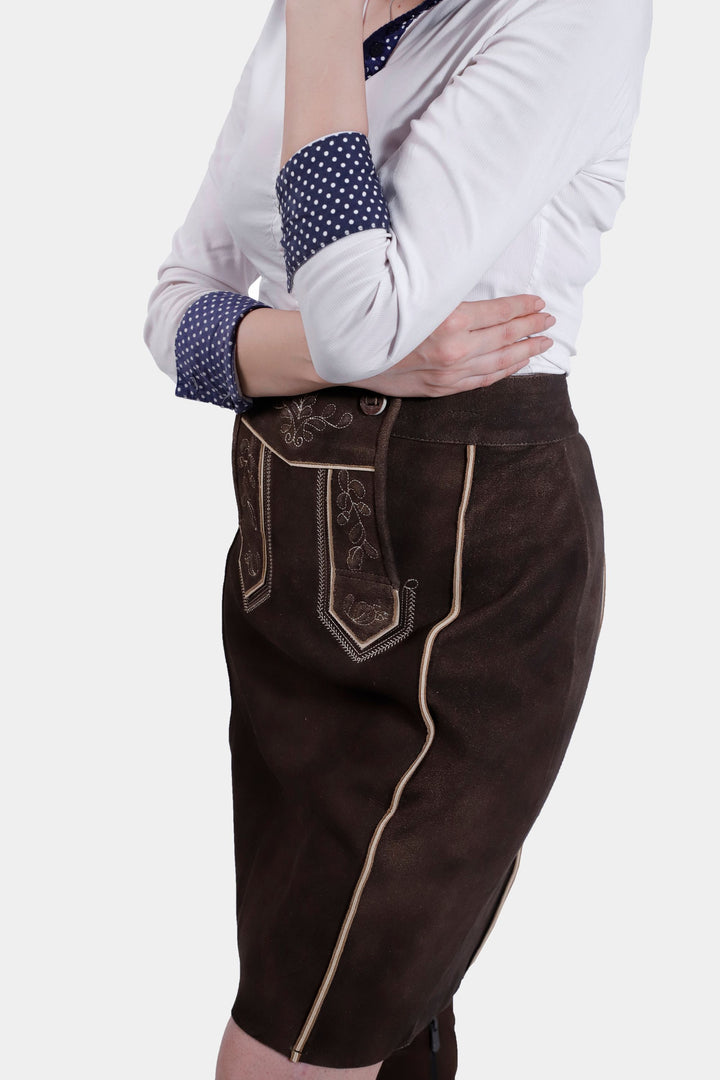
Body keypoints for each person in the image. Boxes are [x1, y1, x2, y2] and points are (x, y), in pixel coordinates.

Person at [143, 1, 652, 1077]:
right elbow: (176, 315)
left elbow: (347, 314)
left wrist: (326, 35)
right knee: (384, 1034)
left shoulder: (570, 14)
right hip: (286, 589)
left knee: (290, 1048)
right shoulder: (305, 20)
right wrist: (350, 359)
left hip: (466, 591)